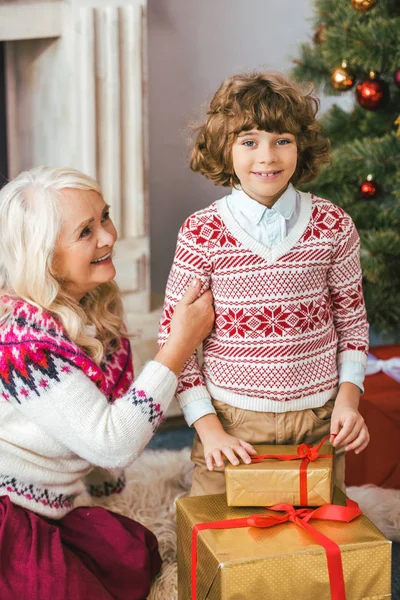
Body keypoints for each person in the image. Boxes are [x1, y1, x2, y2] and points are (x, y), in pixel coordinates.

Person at [0, 166, 214, 600]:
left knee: (133, 555)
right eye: (85, 231)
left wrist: (106, 498)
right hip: (10, 509)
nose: (108, 237)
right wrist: (177, 347)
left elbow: (101, 425)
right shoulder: (25, 344)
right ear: (45, 257)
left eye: (105, 216)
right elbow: (111, 442)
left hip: (54, 503)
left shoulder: (91, 308)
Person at [158, 71, 370, 497]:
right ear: (225, 147)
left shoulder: (333, 224)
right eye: (249, 141)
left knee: (312, 546)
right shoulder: (202, 232)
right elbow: (174, 338)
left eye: (282, 140)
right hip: (232, 423)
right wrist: (209, 429)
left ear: (300, 145)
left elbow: (353, 324)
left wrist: (348, 401)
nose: (267, 156)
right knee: (218, 548)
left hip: (318, 420)